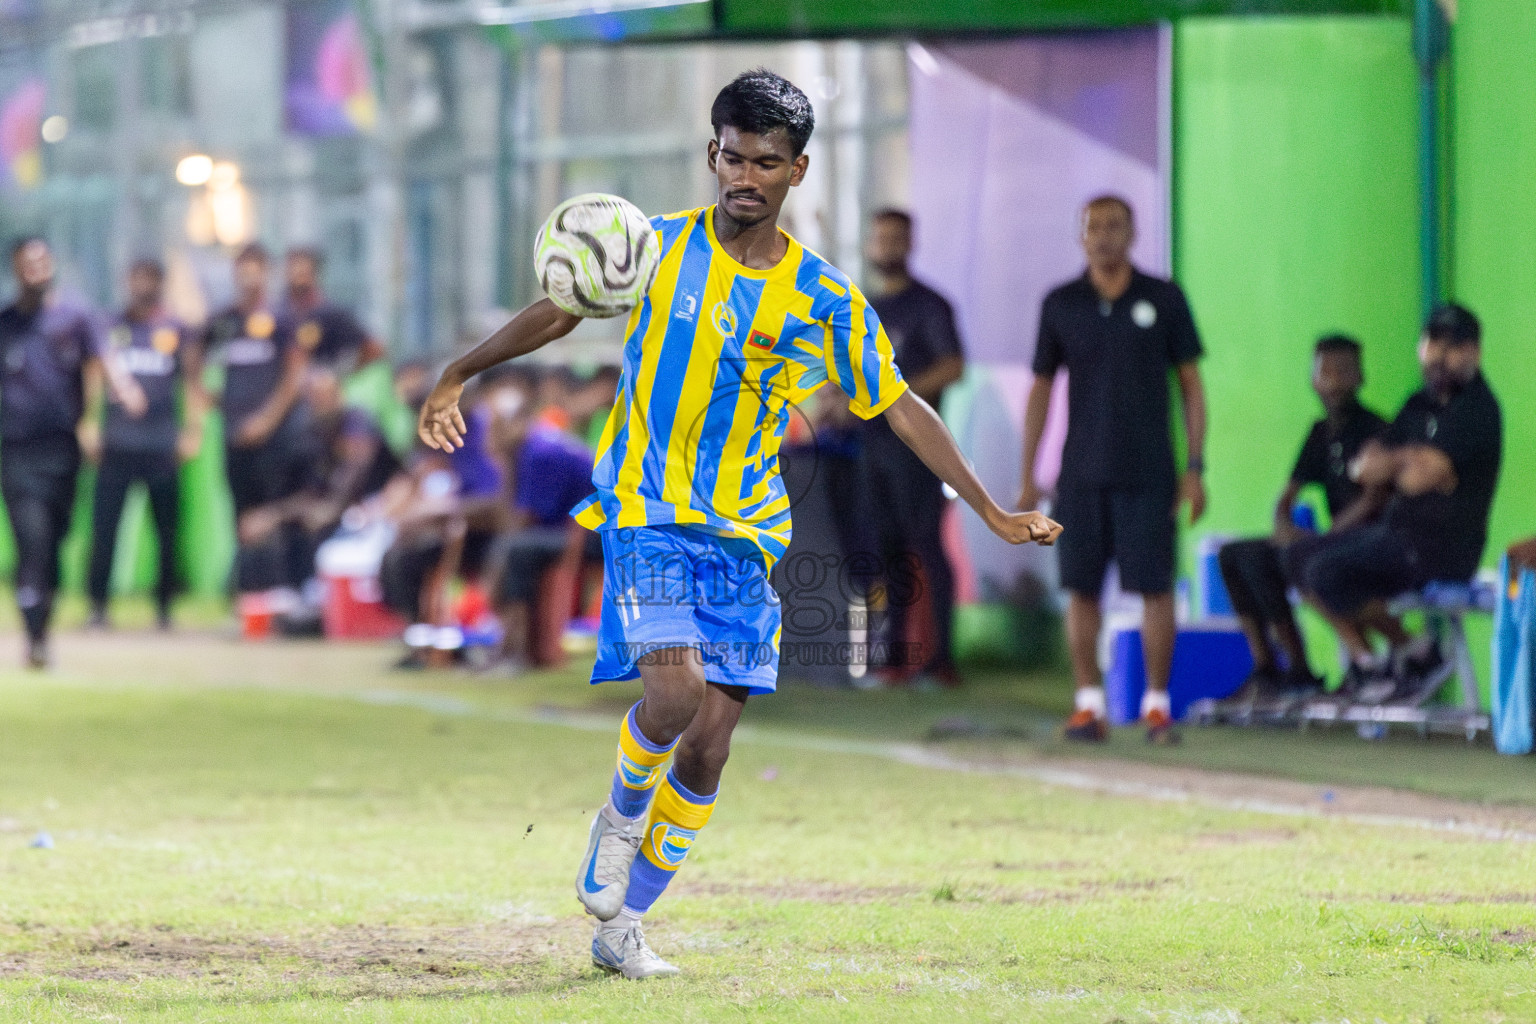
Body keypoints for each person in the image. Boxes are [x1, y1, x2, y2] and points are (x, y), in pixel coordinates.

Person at [416, 69, 1061, 980]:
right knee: (673, 697)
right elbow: (562, 309)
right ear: (710, 152)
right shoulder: (655, 248)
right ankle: (618, 818)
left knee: (712, 746)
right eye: (731, 155)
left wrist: (990, 508)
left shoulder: (820, 296)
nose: (743, 176)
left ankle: (624, 927)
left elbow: (901, 404)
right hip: (647, 507)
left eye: (765, 161)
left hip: (746, 531)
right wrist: (462, 369)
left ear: (797, 170)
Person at [1018, 196, 1208, 744]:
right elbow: (1041, 388)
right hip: (1080, 474)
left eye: (1114, 227)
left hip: (1151, 474)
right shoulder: (1062, 303)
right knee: (1081, 589)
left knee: (1155, 589)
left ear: (1134, 233)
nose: (1104, 236)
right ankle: (1088, 706)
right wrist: (1029, 474)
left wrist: (1195, 468)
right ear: (1081, 236)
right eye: (1094, 227)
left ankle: (1155, 706)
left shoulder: (1164, 299)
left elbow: (1192, 387)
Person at [1300, 303, 1502, 704]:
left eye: (1453, 347)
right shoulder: (1417, 403)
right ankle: (1395, 659)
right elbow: (1366, 467)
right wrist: (1405, 462)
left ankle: (1411, 655)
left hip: (1444, 548)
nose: (1441, 356)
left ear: (1474, 353)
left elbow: (1413, 478)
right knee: (1297, 558)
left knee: (1325, 570)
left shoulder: (1478, 409)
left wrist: (1397, 465)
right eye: (1433, 344)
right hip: (1396, 535)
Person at [1213, 335, 1387, 715]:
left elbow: (1374, 499)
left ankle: (1367, 664)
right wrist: (1282, 524)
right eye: (1325, 372)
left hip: (1364, 545)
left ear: (1360, 377)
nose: (1334, 382)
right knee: (1236, 556)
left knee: (1299, 559)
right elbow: (1288, 495)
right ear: (1313, 379)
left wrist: (1325, 536)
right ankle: (1281, 670)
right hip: (1327, 543)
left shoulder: (1376, 429)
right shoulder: (1318, 432)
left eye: (1343, 372)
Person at [859, 208, 966, 684]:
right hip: (870, 449)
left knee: (926, 548)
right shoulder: (862, 308)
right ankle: (895, 657)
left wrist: (894, 395)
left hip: (919, 450)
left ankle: (940, 660)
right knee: (885, 553)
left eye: (897, 238)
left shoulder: (930, 306)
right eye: (881, 238)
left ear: (911, 243)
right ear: (870, 245)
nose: (888, 246)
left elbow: (952, 367)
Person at [0, 238, 101, 667]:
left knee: (56, 541)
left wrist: (90, 422)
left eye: (42, 262)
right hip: (17, 451)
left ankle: (43, 617)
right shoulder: (5, 324)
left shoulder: (74, 319)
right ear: (15, 268)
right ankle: (35, 636)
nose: (36, 270)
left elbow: (95, 367)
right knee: (32, 540)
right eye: (28, 264)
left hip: (62, 452)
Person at [87, 258, 203, 630]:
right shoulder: (110, 327)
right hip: (117, 445)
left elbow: (191, 381)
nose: (143, 285)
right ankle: (97, 608)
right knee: (104, 530)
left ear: (161, 282)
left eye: (150, 278)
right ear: (127, 280)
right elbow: (94, 374)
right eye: (137, 277)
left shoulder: (175, 329)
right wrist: (89, 422)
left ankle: (165, 609)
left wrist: (192, 430)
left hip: (161, 447)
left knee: (167, 533)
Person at [193, 243, 312, 596]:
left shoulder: (283, 318)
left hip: (275, 440)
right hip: (234, 437)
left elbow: (295, 373)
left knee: (274, 513)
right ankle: (247, 595)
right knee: (241, 516)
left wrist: (267, 420)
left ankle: (282, 592)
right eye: (242, 269)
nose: (248, 276)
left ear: (267, 273)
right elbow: (192, 355)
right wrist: (205, 395)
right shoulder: (224, 321)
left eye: (256, 268)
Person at [236, 366, 402, 614]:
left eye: (324, 395)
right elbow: (311, 492)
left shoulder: (356, 421)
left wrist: (330, 508)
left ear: (338, 394)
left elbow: (355, 472)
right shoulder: (312, 433)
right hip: (344, 512)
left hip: (381, 509)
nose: (318, 402)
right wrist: (272, 515)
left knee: (321, 526)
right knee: (285, 528)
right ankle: (295, 599)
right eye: (313, 396)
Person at [485, 399, 601, 672]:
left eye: (496, 428)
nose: (489, 438)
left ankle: (517, 649)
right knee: (511, 547)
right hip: (577, 529)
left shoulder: (540, 453)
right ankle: (510, 647)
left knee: (515, 551)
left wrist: (505, 465)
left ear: (517, 423)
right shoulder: (532, 447)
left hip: (599, 534)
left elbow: (525, 520)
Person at [281, 247, 385, 371]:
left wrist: (342, 374)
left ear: (315, 273)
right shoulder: (277, 312)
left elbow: (373, 347)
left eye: (303, 273)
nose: (298, 277)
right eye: (293, 270)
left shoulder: (332, 314)